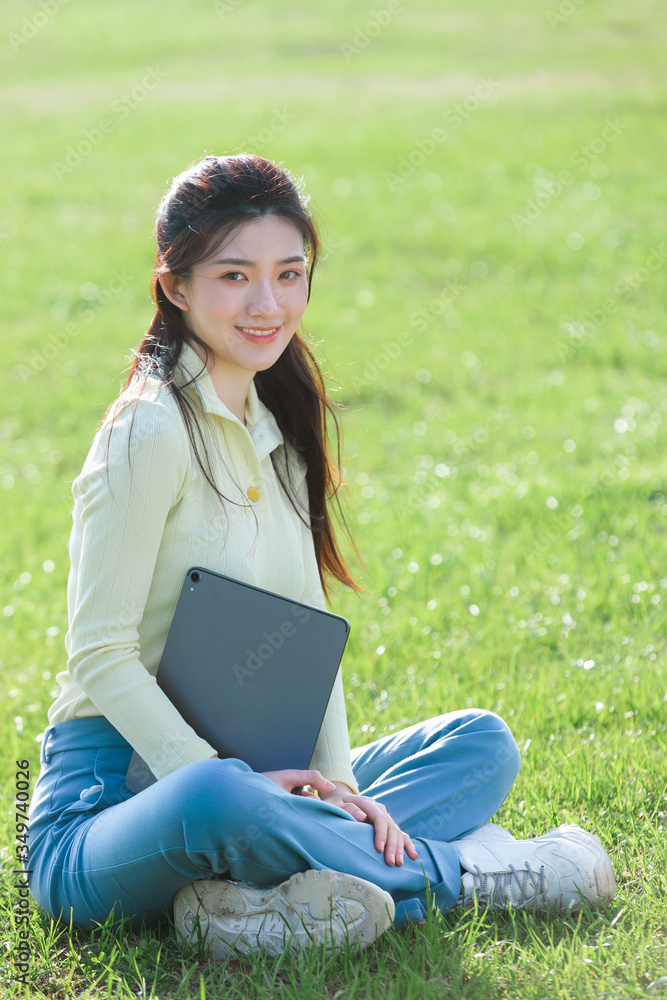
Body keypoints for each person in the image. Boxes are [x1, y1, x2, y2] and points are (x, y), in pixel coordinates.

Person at [26, 153, 615, 960]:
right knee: (216, 796)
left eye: (289, 274)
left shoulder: (279, 439)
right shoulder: (149, 431)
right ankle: (476, 873)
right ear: (175, 286)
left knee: (480, 744)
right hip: (108, 808)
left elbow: (308, 635)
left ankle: (243, 900)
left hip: (256, 780)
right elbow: (99, 654)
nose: (267, 304)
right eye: (234, 276)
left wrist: (339, 790)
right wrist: (232, 780)